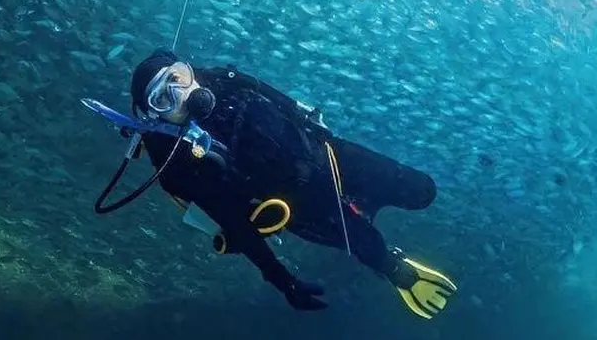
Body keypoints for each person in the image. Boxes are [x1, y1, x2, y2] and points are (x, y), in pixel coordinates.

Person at [125, 49, 457, 318]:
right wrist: (280, 279)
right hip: (302, 210)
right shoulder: (185, 165)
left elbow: (270, 93)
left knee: (423, 191)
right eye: (162, 99)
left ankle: (367, 208)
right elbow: (235, 225)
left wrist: (306, 114)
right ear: (154, 116)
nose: (179, 95)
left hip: (331, 158)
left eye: (176, 79)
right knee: (372, 248)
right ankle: (394, 266)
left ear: (187, 71)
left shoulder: (223, 80)